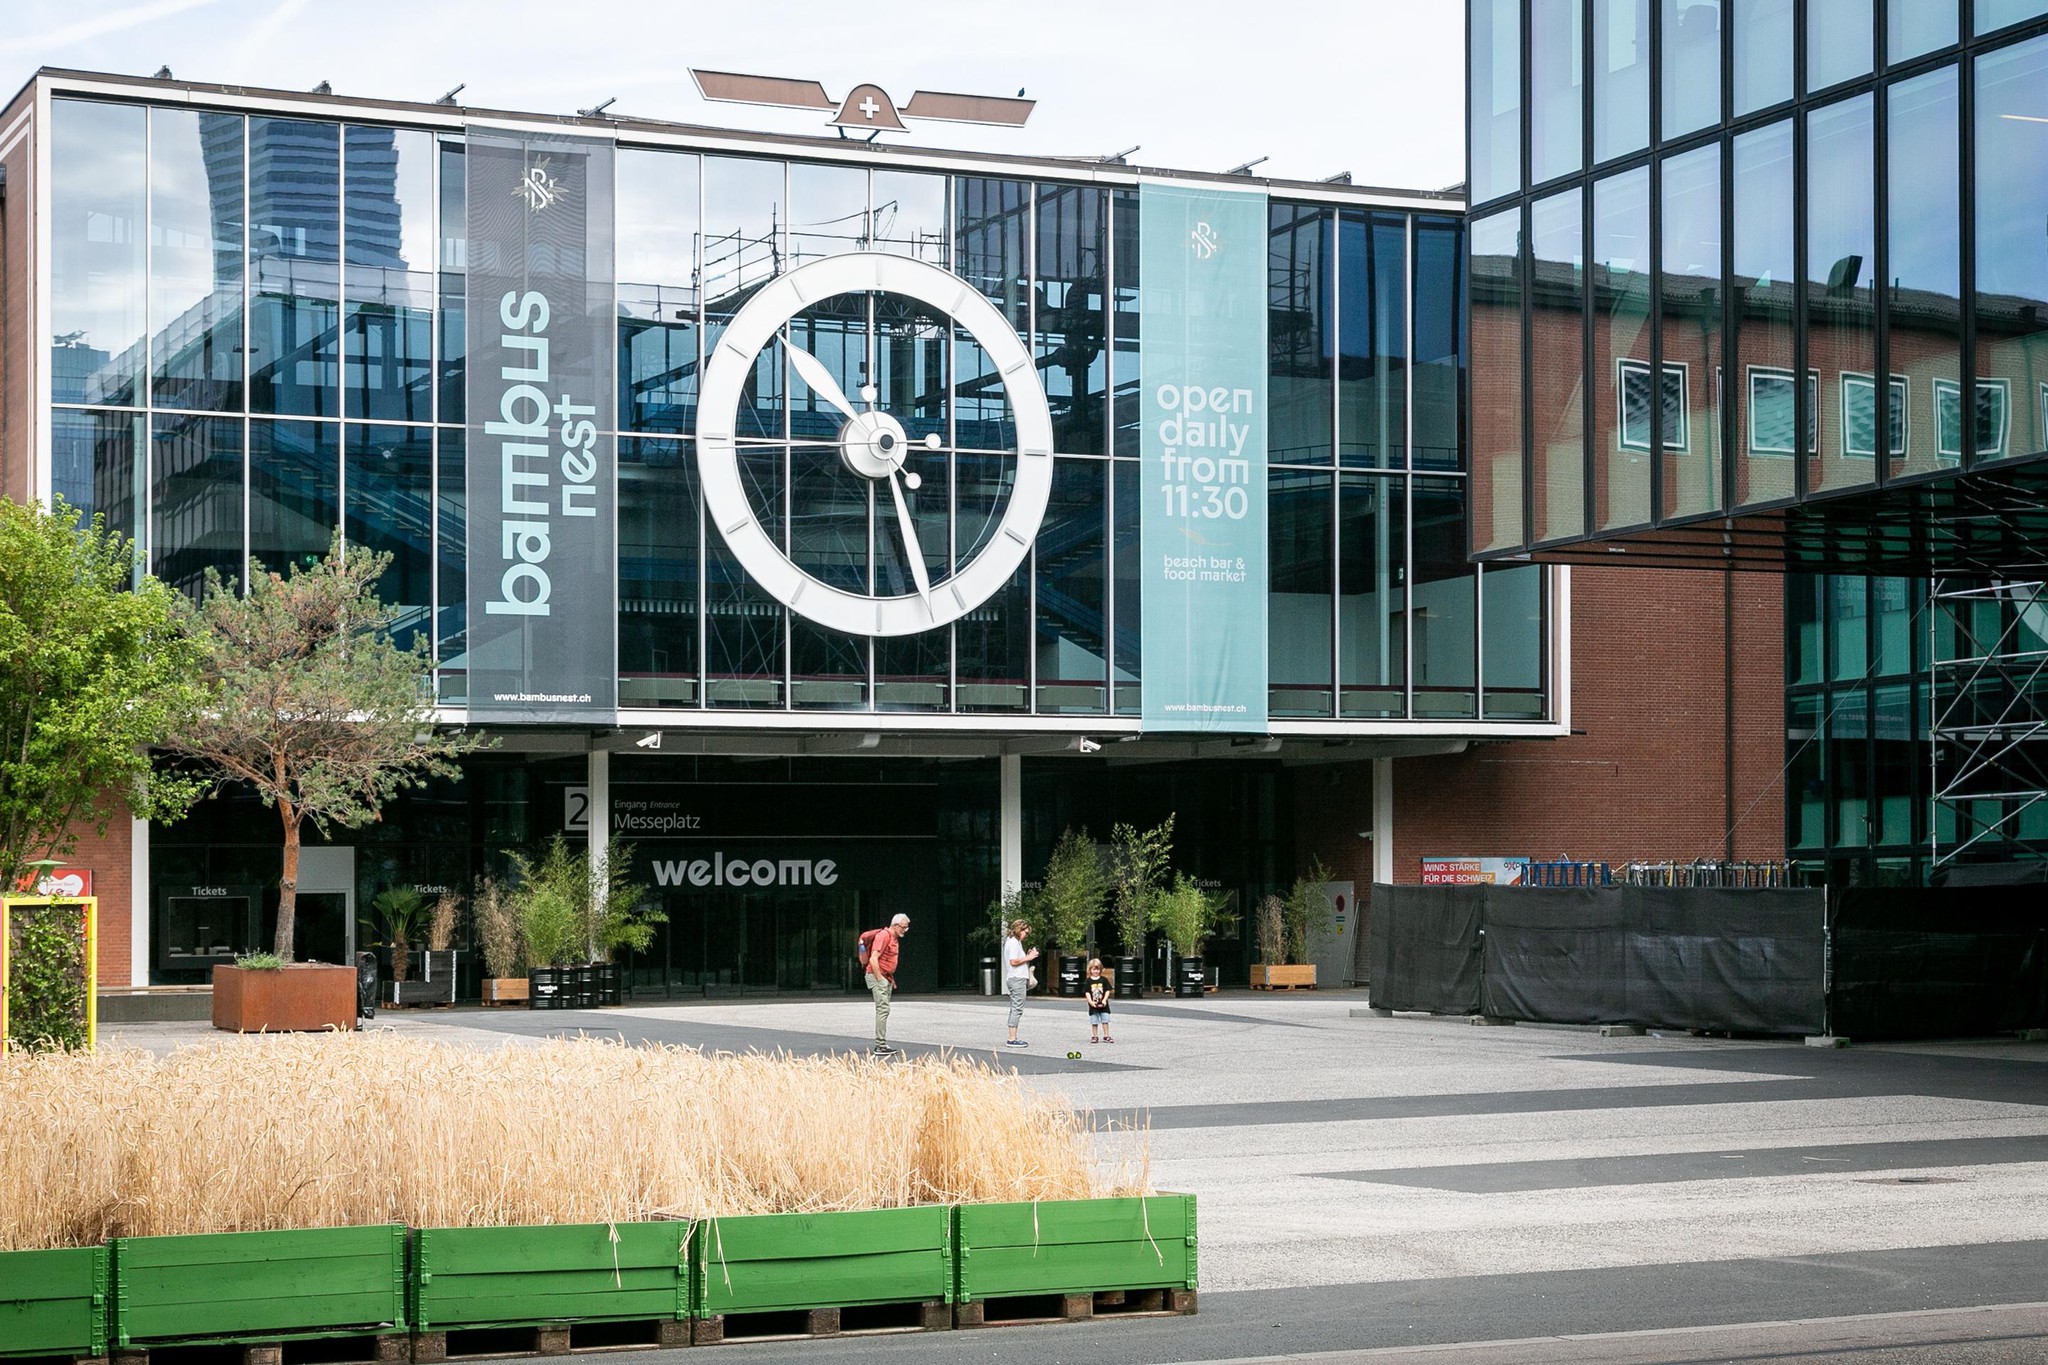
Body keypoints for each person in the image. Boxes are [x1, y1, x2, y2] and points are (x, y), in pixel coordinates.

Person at [858, 913, 911, 1056]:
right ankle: (880, 1045)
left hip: (885, 977)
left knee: (884, 1009)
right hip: (878, 976)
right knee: (883, 1009)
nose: (905, 930)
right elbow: (874, 959)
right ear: (895, 925)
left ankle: (881, 1044)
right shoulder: (884, 936)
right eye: (904, 927)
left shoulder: (893, 938)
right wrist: (880, 979)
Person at [1001, 918, 1039, 1049]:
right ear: (1019, 930)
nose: (1026, 935)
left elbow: (1018, 960)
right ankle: (1011, 1038)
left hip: (1018, 978)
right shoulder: (1013, 942)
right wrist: (1029, 957)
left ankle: (1013, 1037)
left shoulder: (1015, 942)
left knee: (1016, 1007)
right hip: (1016, 978)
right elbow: (1013, 962)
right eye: (1026, 932)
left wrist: (1027, 956)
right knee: (1017, 1008)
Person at [1084, 958, 1114, 1044]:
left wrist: (1104, 1000)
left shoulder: (1103, 980)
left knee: (1105, 1020)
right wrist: (1090, 1002)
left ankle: (1106, 1035)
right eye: (1093, 969)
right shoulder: (1088, 981)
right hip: (1093, 1005)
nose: (1095, 971)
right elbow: (1087, 992)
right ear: (1090, 970)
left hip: (1103, 1005)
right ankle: (1095, 1036)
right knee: (1094, 1021)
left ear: (1100, 970)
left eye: (1097, 969)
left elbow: (1107, 990)